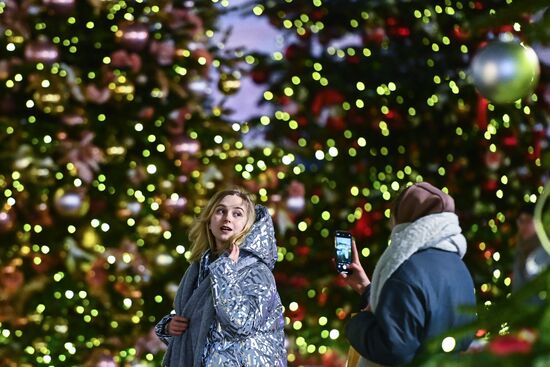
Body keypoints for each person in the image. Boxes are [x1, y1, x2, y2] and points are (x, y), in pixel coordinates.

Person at [338, 182, 477, 366]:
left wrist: (358, 324)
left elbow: (393, 348)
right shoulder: (459, 267)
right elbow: (420, 313)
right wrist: (367, 289)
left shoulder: (405, 270)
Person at [155, 187, 287, 367]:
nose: (227, 218)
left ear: (247, 225)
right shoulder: (199, 268)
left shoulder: (257, 271)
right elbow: (202, 333)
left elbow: (240, 325)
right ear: (209, 221)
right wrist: (170, 326)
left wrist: (225, 272)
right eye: (220, 211)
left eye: (237, 214)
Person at [511, 202, 550, 297]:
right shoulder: (520, 251)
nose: (524, 225)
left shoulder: (546, 249)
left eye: (529, 220)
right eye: (521, 221)